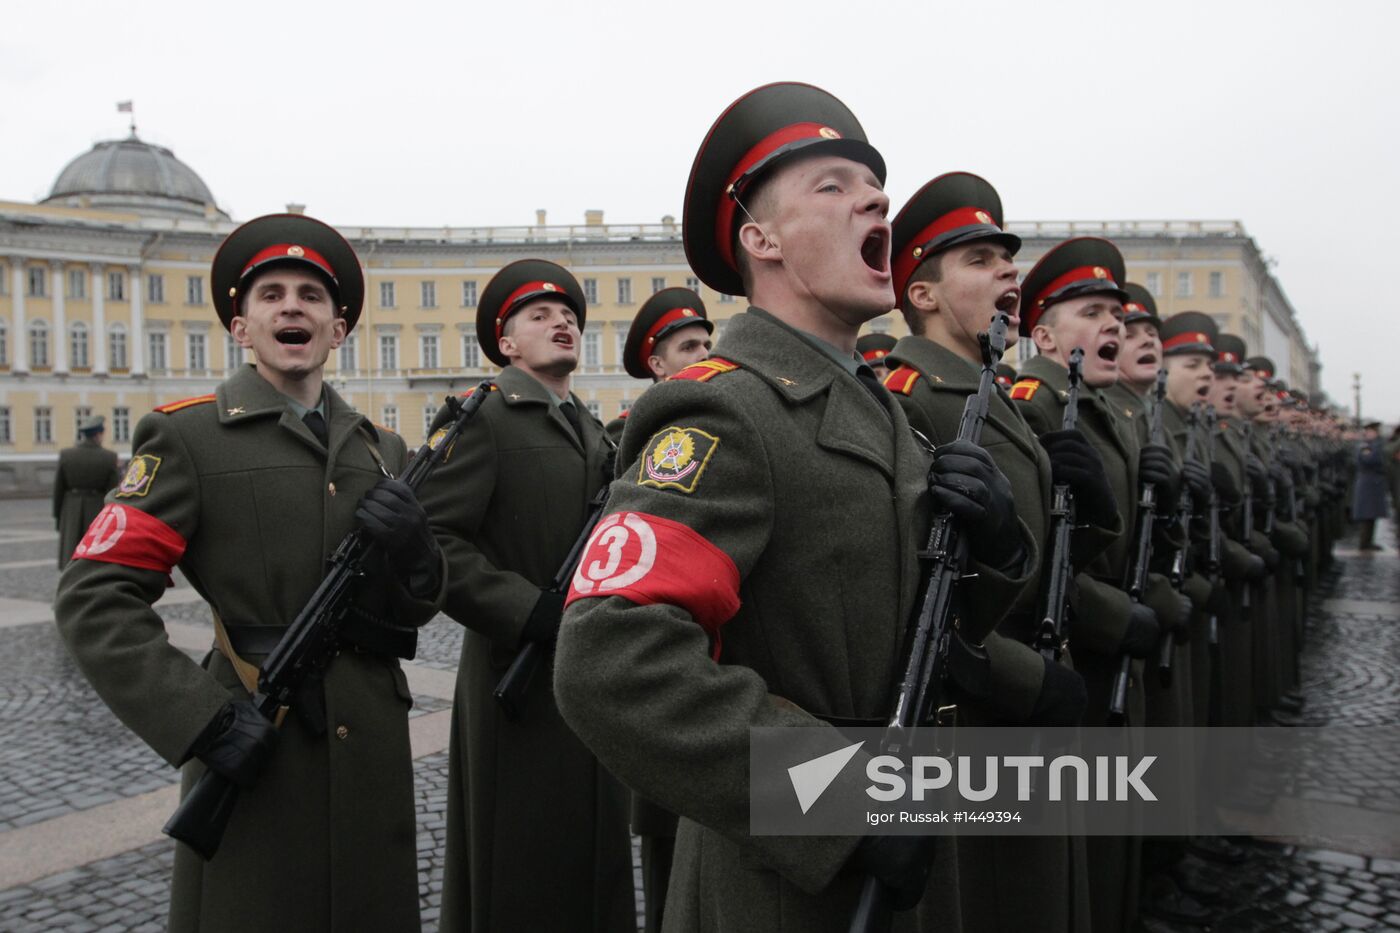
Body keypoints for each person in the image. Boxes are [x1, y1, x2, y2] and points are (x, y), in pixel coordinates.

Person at [554, 82, 1033, 933]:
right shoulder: (722, 410)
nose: (876, 198)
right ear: (760, 239)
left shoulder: (881, 409)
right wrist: (838, 801)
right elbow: (612, 663)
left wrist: (996, 546)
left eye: (874, 185)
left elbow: (917, 627)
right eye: (834, 185)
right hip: (785, 888)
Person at [53, 213, 444, 932]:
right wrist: (200, 719)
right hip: (259, 734)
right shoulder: (188, 435)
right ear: (241, 327)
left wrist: (419, 554)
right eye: (271, 294)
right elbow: (94, 595)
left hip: (372, 751)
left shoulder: (381, 445)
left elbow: (408, 608)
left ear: (338, 330)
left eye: (310, 296)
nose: (291, 305)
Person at [881, 170, 1096, 933]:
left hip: (1025, 696)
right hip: (971, 710)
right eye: (979, 259)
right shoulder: (907, 396)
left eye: (1007, 258)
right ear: (924, 293)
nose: (1009, 270)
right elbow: (907, 590)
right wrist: (1029, 675)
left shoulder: (990, 392)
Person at [416, 259, 634, 933]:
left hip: (587, 674)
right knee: (524, 865)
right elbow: (433, 536)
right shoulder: (485, 418)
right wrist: (523, 608)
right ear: (506, 344)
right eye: (539, 316)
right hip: (518, 681)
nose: (561, 321)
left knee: (593, 851)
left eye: (568, 315)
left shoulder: (592, 430)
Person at [1010, 237, 1188, 933]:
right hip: (1071, 651)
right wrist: (1118, 616)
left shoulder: (1109, 412)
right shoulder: (1035, 407)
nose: (1115, 325)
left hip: (1114, 645)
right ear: (1046, 335)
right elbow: (1037, 560)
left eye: (1118, 313)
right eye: (1094, 312)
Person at [606, 286, 714, 445]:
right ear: (657, 365)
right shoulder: (627, 431)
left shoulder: (721, 415)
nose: (705, 355)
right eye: (689, 347)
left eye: (707, 346)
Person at [52, 414, 120, 568]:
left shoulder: (66, 455)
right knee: (94, 554)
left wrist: (58, 516)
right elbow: (113, 492)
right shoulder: (109, 457)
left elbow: (59, 489)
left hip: (71, 508)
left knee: (70, 552)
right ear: (98, 434)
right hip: (97, 508)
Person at [1352, 421, 1389, 550]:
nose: (1372, 434)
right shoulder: (1365, 446)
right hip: (1367, 483)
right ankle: (1364, 542)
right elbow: (1371, 460)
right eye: (1370, 431)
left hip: (1374, 483)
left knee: (1372, 514)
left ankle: (1369, 541)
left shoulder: (1375, 445)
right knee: (1366, 514)